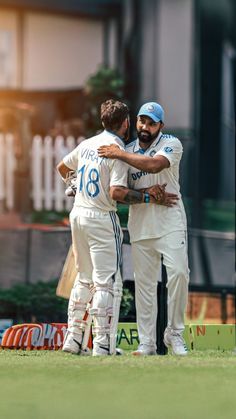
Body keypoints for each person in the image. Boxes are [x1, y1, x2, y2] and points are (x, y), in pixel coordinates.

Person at [57, 99, 178, 357]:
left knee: (83, 277)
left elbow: (62, 166)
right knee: (106, 283)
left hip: (78, 215)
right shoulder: (117, 150)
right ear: (125, 123)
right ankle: (102, 345)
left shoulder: (87, 144)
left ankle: (73, 339)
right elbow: (117, 192)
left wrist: (75, 185)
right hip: (102, 218)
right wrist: (147, 197)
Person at [98, 102, 189, 356]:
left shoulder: (171, 143)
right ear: (136, 122)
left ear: (161, 125)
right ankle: (147, 343)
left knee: (179, 274)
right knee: (144, 285)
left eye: (151, 123)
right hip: (141, 225)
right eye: (142, 121)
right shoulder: (127, 149)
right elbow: (117, 192)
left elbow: (155, 165)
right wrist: (147, 195)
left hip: (170, 221)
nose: (145, 127)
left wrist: (119, 155)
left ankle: (175, 333)